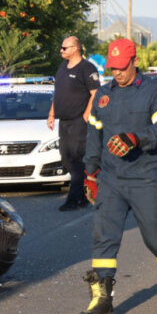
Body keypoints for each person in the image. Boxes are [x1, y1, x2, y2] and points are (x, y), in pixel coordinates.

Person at [79, 37, 157, 314]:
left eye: (122, 66)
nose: (117, 72)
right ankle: (101, 299)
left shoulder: (154, 91)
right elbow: (94, 136)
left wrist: (136, 139)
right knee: (103, 238)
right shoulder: (104, 95)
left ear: (135, 61)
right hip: (112, 179)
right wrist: (90, 174)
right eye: (113, 67)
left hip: (146, 177)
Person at [47, 36, 100, 211]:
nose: (61, 51)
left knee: (76, 160)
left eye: (64, 48)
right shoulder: (62, 67)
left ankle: (73, 199)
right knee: (65, 158)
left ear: (75, 49)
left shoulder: (87, 68)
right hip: (64, 121)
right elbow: (58, 92)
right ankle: (85, 191)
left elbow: (95, 93)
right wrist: (52, 113)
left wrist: (86, 114)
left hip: (79, 121)